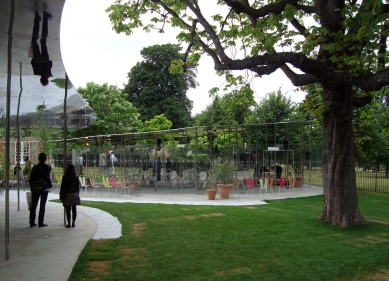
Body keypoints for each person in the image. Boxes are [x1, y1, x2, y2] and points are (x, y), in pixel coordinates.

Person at [29, 152, 51, 227]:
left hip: (35, 188)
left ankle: (32, 222)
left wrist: (31, 187)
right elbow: (47, 178)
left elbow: (31, 178)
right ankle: (40, 222)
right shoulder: (47, 167)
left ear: (39, 158)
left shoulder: (35, 167)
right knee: (42, 205)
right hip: (44, 188)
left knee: (34, 205)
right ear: (45, 159)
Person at [30, 11, 53, 86]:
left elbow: (50, 63)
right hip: (37, 57)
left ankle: (45, 18)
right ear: (41, 79)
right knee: (34, 40)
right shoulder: (36, 72)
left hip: (45, 58)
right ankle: (37, 18)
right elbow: (32, 62)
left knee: (43, 40)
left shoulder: (48, 73)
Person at [60, 164, 81, 228]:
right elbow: (77, 187)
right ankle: (73, 223)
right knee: (74, 209)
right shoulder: (76, 177)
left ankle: (69, 223)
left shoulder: (65, 176)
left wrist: (61, 195)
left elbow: (63, 187)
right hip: (74, 194)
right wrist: (77, 194)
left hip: (67, 194)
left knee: (68, 209)